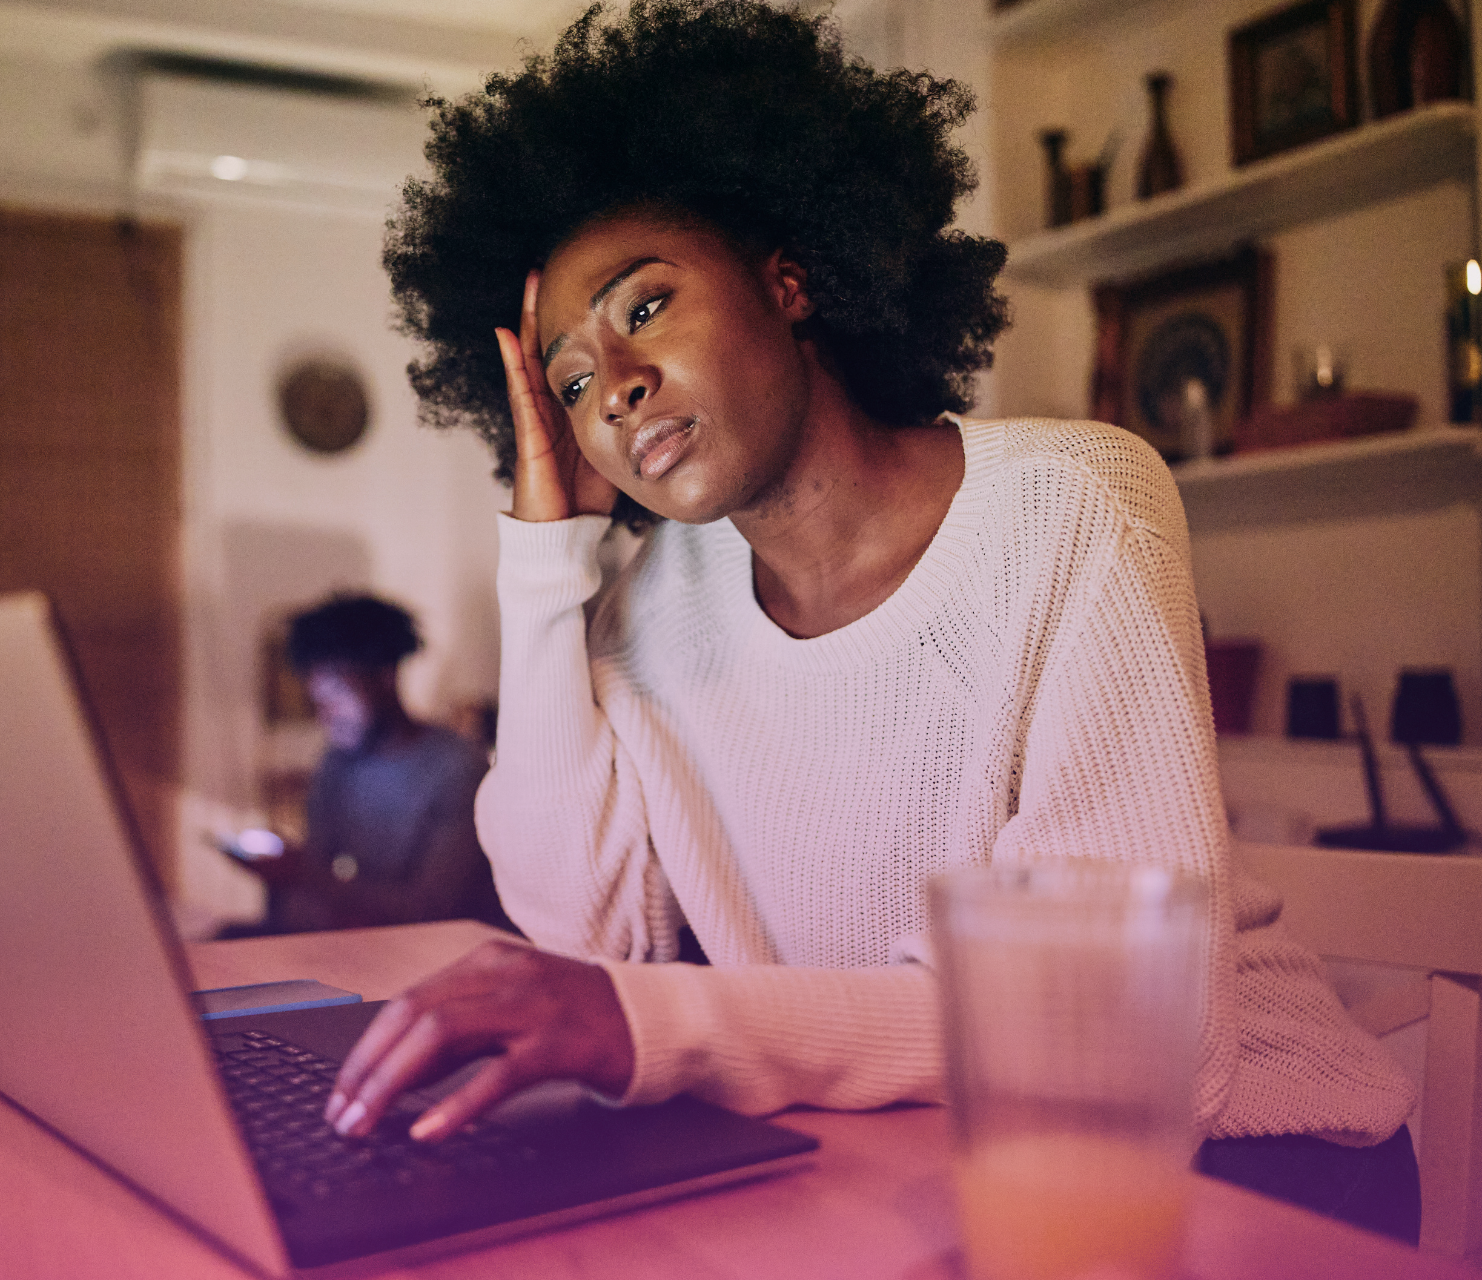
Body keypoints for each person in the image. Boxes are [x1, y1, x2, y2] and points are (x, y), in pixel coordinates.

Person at [321, 0, 1421, 1242]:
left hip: (1247, 1161)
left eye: (644, 308)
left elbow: (1116, 1031)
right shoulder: (645, 607)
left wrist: (664, 1028)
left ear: (788, 280)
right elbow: (583, 934)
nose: (614, 388)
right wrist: (544, 560)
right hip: (912, 1145)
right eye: (570, 382)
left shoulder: (1074, 505)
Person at [229, 593, 508, 935]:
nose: (326, 716)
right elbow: (317, 874)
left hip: (426, 954)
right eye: (318, 702)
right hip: (342, 946)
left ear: (385, 677)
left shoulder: (457, 768)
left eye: (336, 696)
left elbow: (433, 909)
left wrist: (300, 873)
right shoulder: (336, 762)